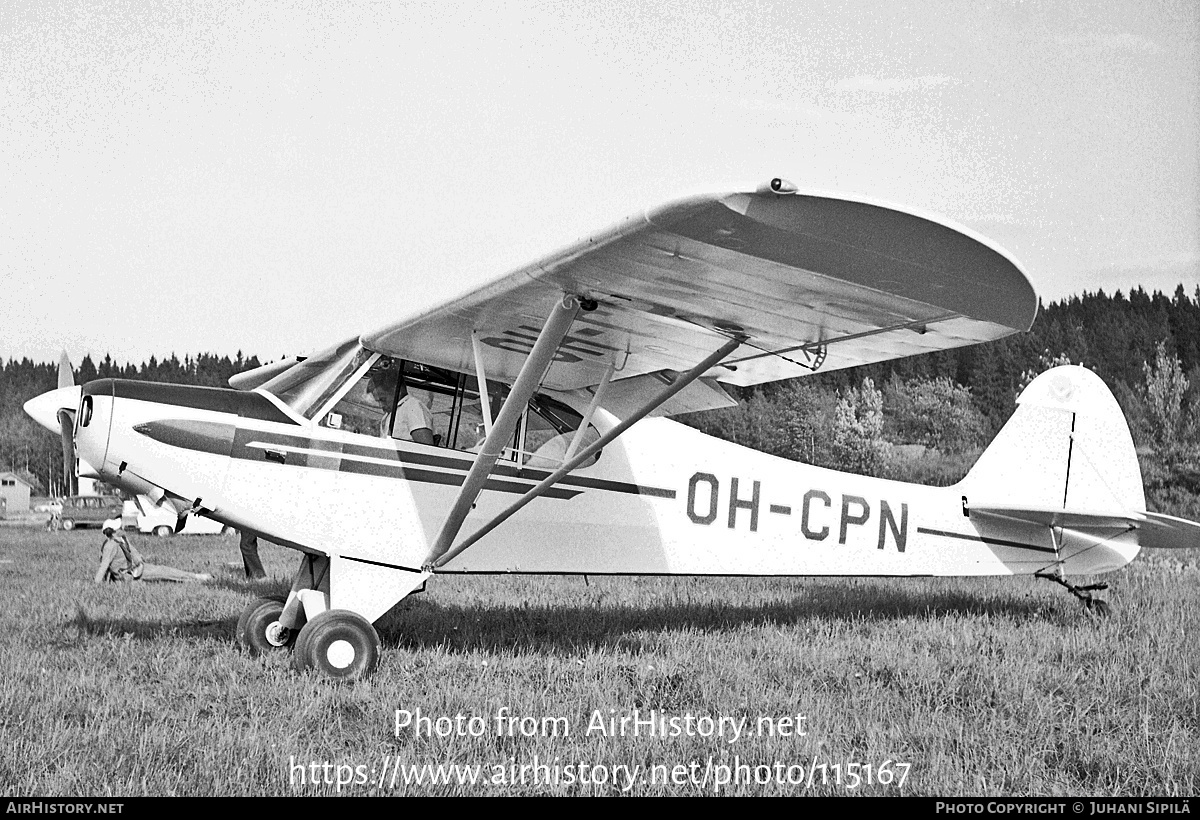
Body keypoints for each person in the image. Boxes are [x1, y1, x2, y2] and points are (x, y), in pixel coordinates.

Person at [94, 519, 213, 584]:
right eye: (118, 528)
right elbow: (104, 566)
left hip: (138, 568)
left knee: (163, 570)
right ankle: (197, 578)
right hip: (129, 574)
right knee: (163, 572)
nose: (121, 528)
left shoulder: (122, 539)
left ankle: (194, 578)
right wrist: (96, 584)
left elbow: (133, 551)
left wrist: (139, 560)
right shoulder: (110, 546)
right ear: (112, 532)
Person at [367, 370, 435, 445]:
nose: (381, 405)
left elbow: (425, 449)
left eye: (383, 400)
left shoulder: (412, 406)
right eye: (378, 401)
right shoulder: (390, 415)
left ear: (397, 390)